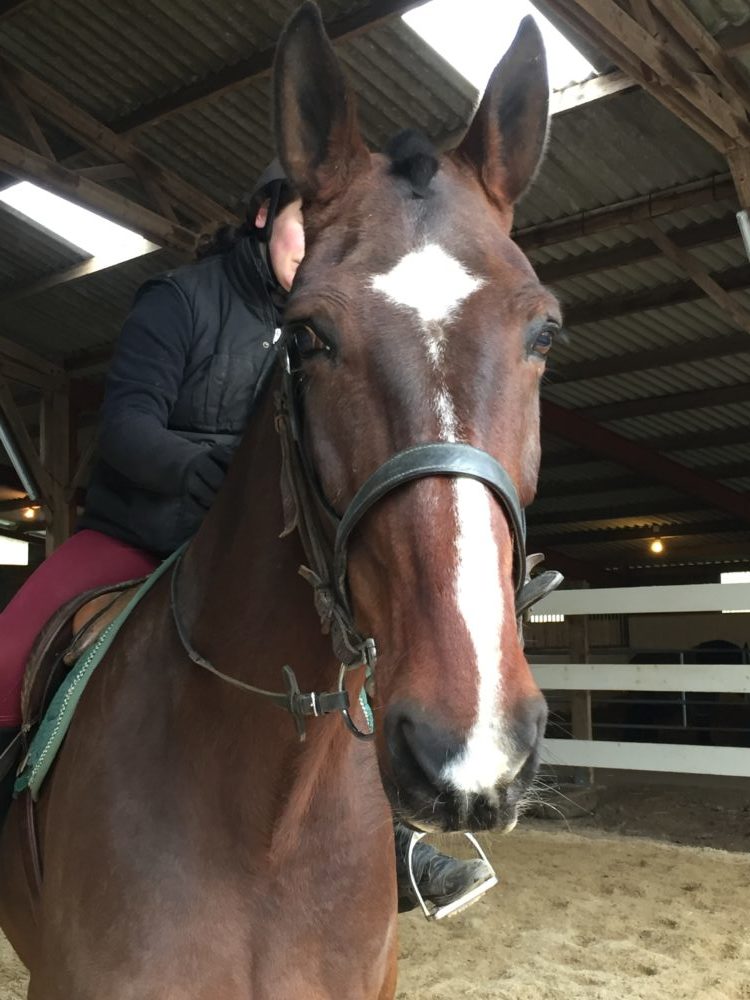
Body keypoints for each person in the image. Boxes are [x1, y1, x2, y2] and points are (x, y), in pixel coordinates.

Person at [0, 161, 490, 913]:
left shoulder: (323, 332)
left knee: (352, 657)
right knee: (7, 656)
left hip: (252, 558)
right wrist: (193, 467)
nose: (317, 249)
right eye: (305, 227)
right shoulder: (179, 300)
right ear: (264, 216)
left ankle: (393, 843)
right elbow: (126, 425)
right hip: (140, 534)